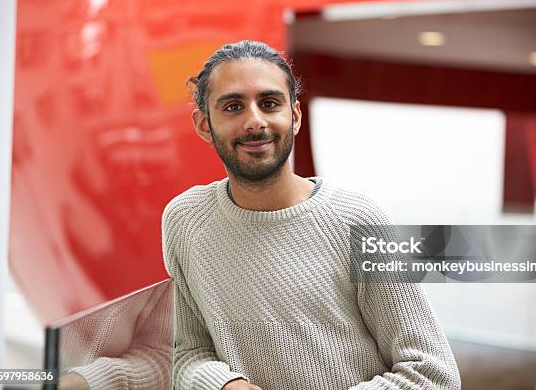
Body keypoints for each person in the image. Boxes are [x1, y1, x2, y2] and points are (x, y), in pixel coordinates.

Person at [162, 40, 461, 390]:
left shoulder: (357, 218)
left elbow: (433, 372)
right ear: (203, 124)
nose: (255, 121)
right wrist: (224, 385)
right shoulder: (185, 220)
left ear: (295, 116)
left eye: (270, 103)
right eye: (232, 107)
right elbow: (187, 352)